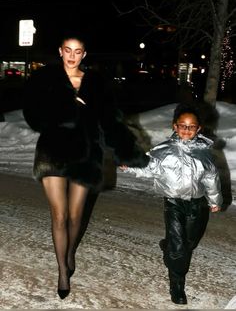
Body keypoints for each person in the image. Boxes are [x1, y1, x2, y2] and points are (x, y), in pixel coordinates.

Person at [23, 31, 149, 300]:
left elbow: (111, 121)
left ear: (84, 54)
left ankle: (69, 253)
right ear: (60, 51)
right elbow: (33, 115)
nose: (72, 56)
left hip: (85, 153)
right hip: (52, 152)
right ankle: (61, 271)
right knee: (58, 214)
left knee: (75, 215)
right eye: (67, 50)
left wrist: (125, 153)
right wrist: (67, 106)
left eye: (77, 51)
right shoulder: (45, 79)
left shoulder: (96, 83)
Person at [120, 102, 222, 305]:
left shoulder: (204, 153)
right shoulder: (163, 150)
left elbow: (212, 178)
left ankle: (168, 246)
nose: (186, 129)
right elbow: (147, 167)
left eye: (191, 126)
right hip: (173, 203)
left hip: (197, 204)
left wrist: (214, 200)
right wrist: (130, 166)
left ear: (198, 128)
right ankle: (177, 286)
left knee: (190, 243)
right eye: (182, 125)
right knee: (178, 250)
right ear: (174, 126)